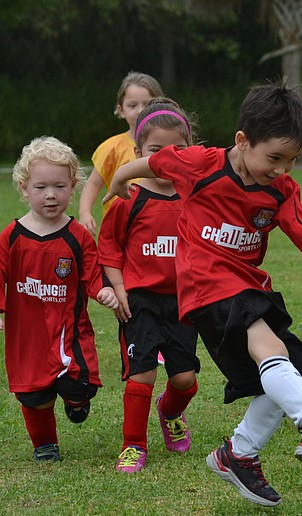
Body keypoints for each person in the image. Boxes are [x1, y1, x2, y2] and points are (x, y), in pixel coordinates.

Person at [104, 83, 302, 507]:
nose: (282, 168)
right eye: (274, 157)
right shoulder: (200, 163)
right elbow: (152, 161)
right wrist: (120, 178)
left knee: (290, 369)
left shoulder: (282, 189)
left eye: (292, 160)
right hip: (204, 286)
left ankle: (238, 454)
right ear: (242, 141)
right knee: (266, 339)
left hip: (246, 286)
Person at [0, 136, 119, 463]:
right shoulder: (12, 236)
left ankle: (77, 401)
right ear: (25, 188)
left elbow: (93, 273)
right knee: (34, 397)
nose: (51, 195)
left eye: (59, 186)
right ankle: (44, 445)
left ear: (73, 187)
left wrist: (104, 291)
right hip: (27, 339)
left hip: (70, 334)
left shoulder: (78, 236)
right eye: (41, 187)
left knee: (80, 385)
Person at [98, 99, 200, 474]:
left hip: (184, 302)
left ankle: (169, 411)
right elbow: (108, 248)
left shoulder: (195, 199)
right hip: (138, 301)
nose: (167, 159)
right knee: (142, 375)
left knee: (185, 379)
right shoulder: (129, 200)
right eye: (157, 150)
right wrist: (119, 290)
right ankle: (133, 446)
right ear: (139, 154)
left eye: (178, 150)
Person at [77, 72, 164, 238]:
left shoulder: (170, 145)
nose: (140, 110)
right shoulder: (111, 147)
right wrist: (85, 213)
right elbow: (93, 184)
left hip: (159, 223)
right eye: (132, 105)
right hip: (119, 227)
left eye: (147, 104)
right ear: (121, 110)